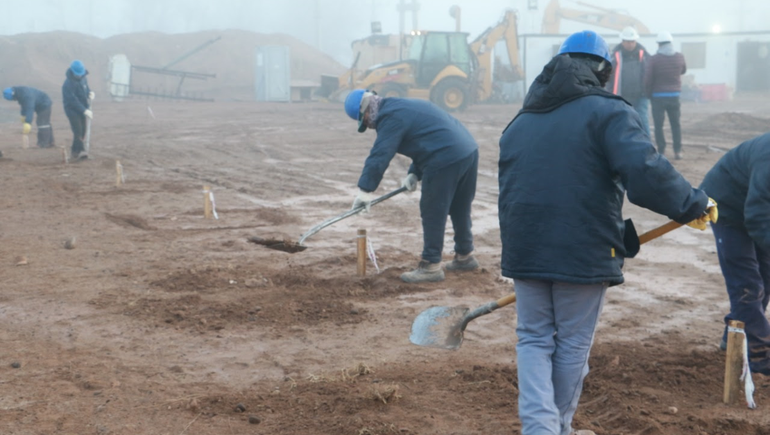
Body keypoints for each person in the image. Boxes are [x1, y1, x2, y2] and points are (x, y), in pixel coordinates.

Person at [498, 30, 716, 435]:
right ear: (602, 69)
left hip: (524, 246)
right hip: (580, 250)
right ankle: (556, 428)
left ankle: (538, 427)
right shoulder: (607, 111)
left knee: (533, 339)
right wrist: (692, 204)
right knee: (572, 344)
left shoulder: (521, 121)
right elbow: (645, 171)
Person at [344, 89, 479, 283]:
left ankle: (431, 265)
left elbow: (381, 154)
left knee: (432, 210)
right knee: (459, 207)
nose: (367, 125)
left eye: (363, 121)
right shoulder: (401, 106)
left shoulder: (389, 117)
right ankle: (465, 256)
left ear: (365, 111)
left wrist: (365, 190)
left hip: (446, 157)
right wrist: (414, 173)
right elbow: (427, 137)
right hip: (468, 151)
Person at [700, 132, 770, 375]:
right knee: (747, 283)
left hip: (756, 208)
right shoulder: (768, 159)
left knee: (765, 277)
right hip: (726, 207)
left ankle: (734, 335)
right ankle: (760, 357)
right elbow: (757, 214)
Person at [645, 31, 687, 160]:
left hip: (658, 97)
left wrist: (647, 93)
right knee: (676, 124)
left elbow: (648, 78)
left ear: (659, 44)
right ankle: (677, 151)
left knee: (659, 125)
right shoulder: (679, 57)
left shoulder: (654, 59)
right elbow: (683, 70)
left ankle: (661, 150)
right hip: (674, 96)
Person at [607, 26, 650, 136]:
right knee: (622, 123)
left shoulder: (644, 55)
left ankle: (647, 147)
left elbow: (651, 72)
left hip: (641, 96)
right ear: (622, 41)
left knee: (642, 121)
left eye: (632, 41)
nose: (630, 44)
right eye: (628, 41)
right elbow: (608, 76)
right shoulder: (614, 56)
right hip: (621, 97)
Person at [62, 59, 95, 160]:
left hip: (82, 108)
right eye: (77, 74)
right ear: (72, 72)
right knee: (78, 130)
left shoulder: (84, 78)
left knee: (83, 130)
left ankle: (74, 152)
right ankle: (81, 152)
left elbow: (86, 89)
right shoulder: (68, 84)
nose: (79, 76)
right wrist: (84, 110)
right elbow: (72, 100)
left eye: (80, 74)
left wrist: (90, 93)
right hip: (72, 110)